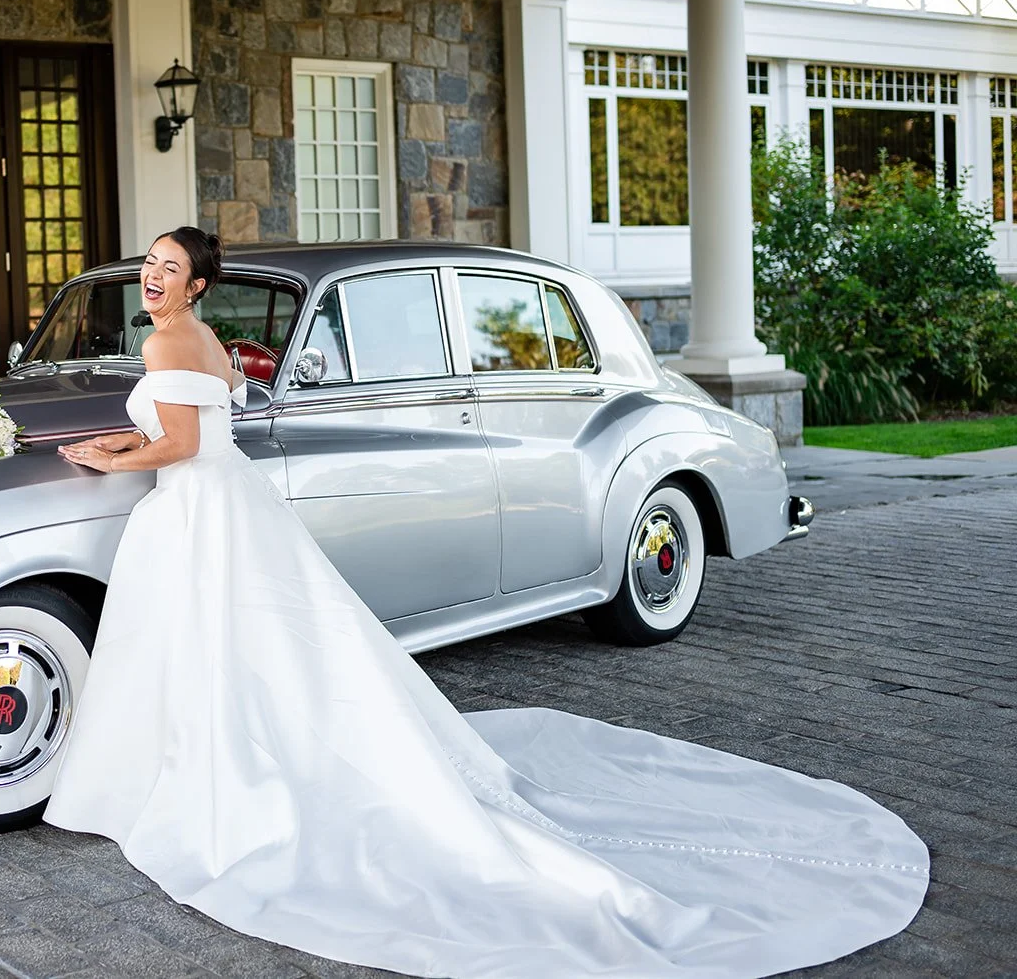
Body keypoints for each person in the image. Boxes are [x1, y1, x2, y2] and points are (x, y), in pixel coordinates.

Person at [45, 227, 928, 978]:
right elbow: (184, 424)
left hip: (208, 499)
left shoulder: (172, 341)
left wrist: (113, 460)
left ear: (196, 284)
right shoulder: (190, 338)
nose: (152, 273)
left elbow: (184, 441)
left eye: (168, 264)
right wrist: (118, 440)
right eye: (148, 262)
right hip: (215, 501)